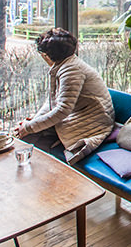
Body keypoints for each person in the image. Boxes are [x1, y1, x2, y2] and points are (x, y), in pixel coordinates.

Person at [14, 28, 115, 164]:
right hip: (81, 118)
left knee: (31, 137)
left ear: (47, 55)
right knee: (28, 133)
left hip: (92, 125)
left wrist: (29, 127)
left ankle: (48, 171)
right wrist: (33, 121)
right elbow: (52, 102)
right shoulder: (66, 65)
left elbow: (62, 110)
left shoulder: (72, 70)